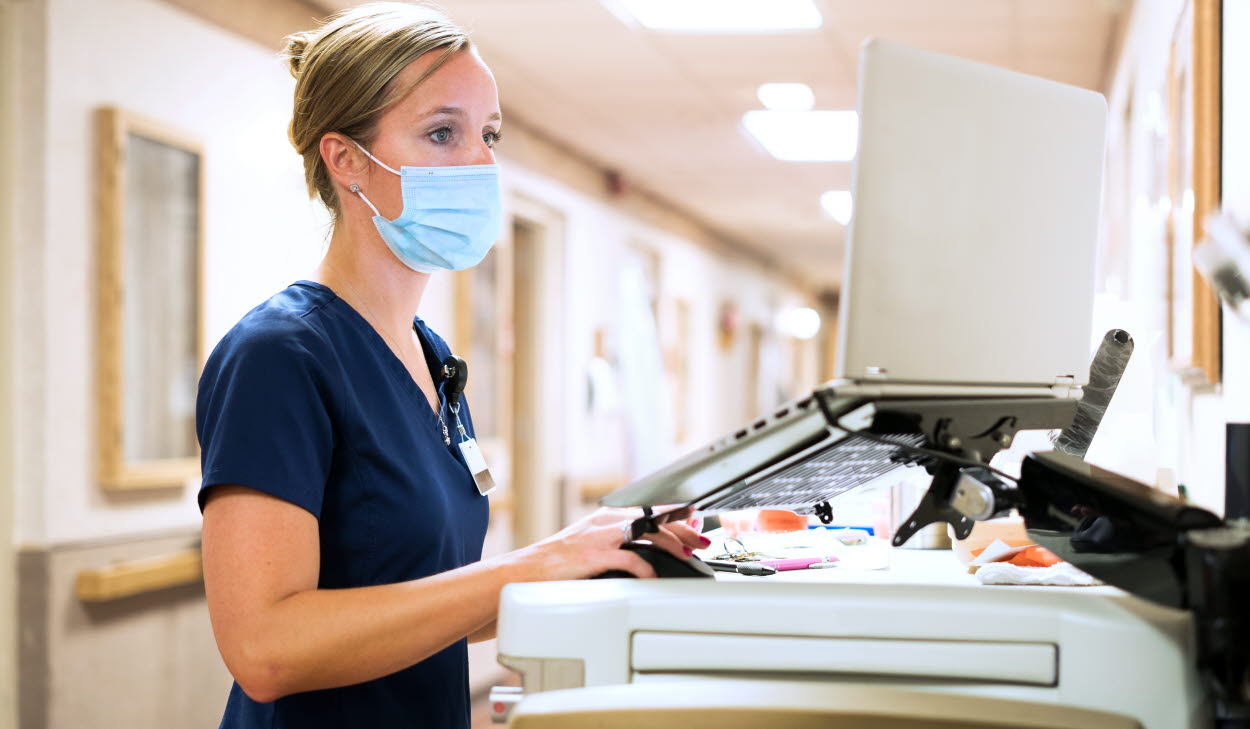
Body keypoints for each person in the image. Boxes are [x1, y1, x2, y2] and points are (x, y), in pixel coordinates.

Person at [196, 4, 707, 727]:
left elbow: (415, 603)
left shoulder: (432, 359)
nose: (480, 162)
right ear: (345, 159)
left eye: (488, 134)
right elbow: (264, 648)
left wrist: (587, 559)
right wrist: (529, 565)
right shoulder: (280, 356)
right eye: (443, 133)